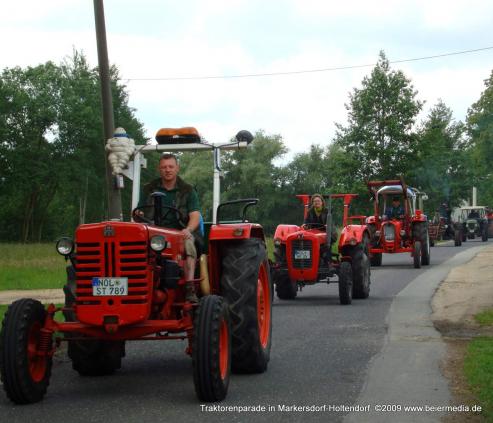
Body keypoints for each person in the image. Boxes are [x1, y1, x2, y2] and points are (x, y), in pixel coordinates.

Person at [140, 153, 201, 302]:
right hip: (154, 233)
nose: (167, 170)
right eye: (164, 167)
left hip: (180, 232)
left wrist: (188, 230)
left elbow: (195, 216)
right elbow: (140, 211)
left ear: (177, 168)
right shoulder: (149, 189)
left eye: (170, 167)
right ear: (159, 169)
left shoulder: (187, 190)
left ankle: (189, 288)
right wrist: (139, 216)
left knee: (188, 244)